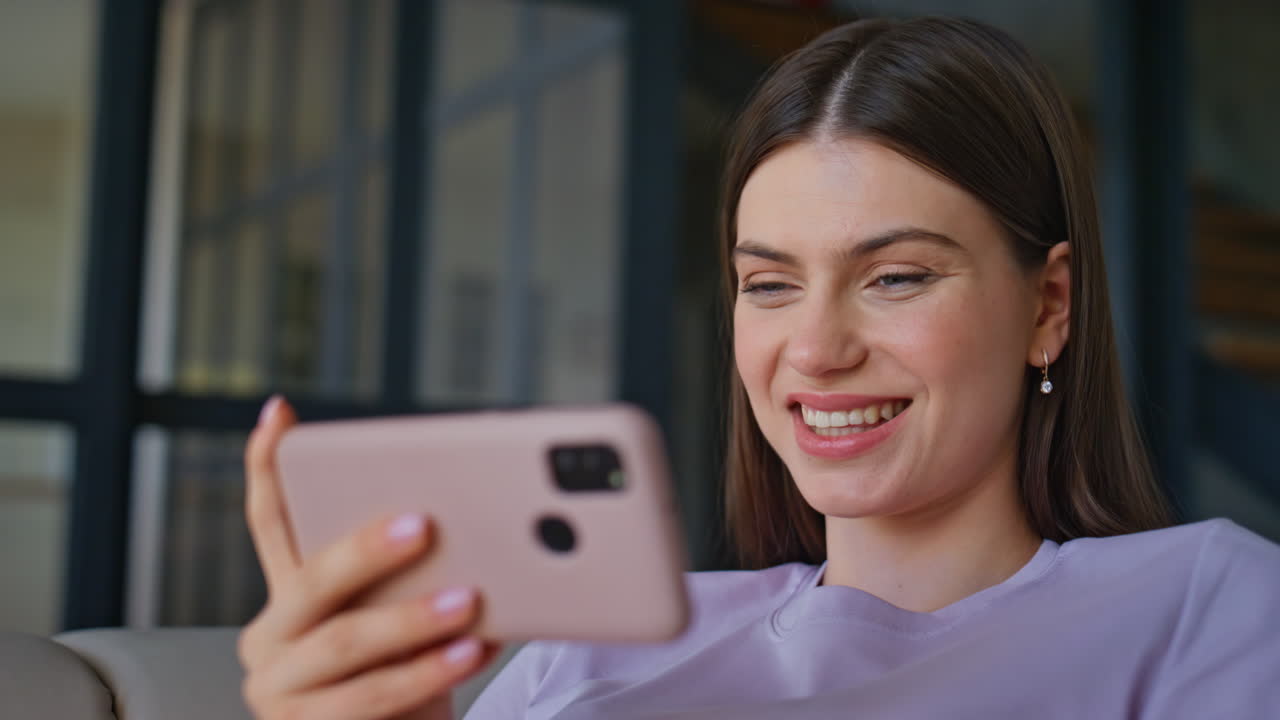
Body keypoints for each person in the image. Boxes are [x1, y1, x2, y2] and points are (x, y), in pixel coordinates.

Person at [237, 17, 1280, 720]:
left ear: (1045, 307)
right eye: (769, 286)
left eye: (896, 277)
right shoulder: (582, 659)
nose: (815, 352)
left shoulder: (1207, 608)